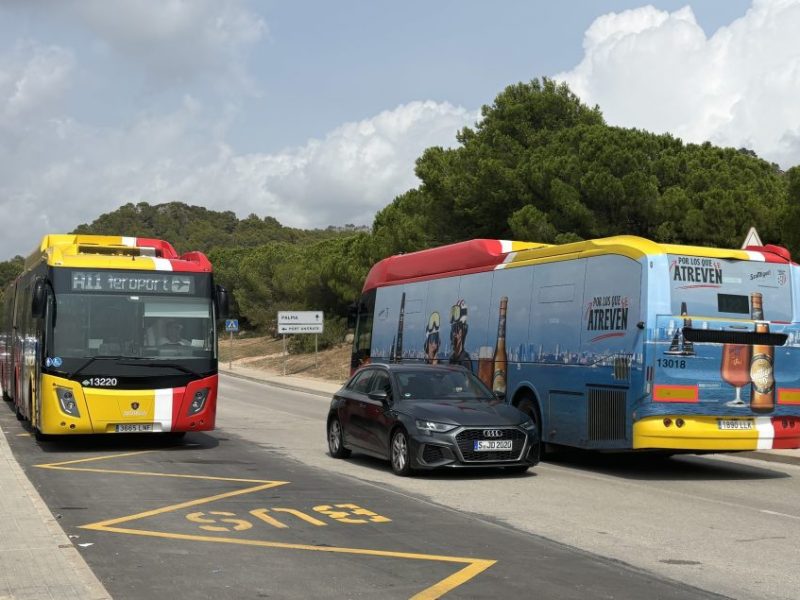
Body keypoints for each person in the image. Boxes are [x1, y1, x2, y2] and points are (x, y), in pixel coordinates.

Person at [448, 300, 473, 371]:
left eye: (456, 329)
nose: (454, 334)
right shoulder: (452, 357)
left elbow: (467, 381)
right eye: (453, 329)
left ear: (462, 332)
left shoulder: (465, 359)